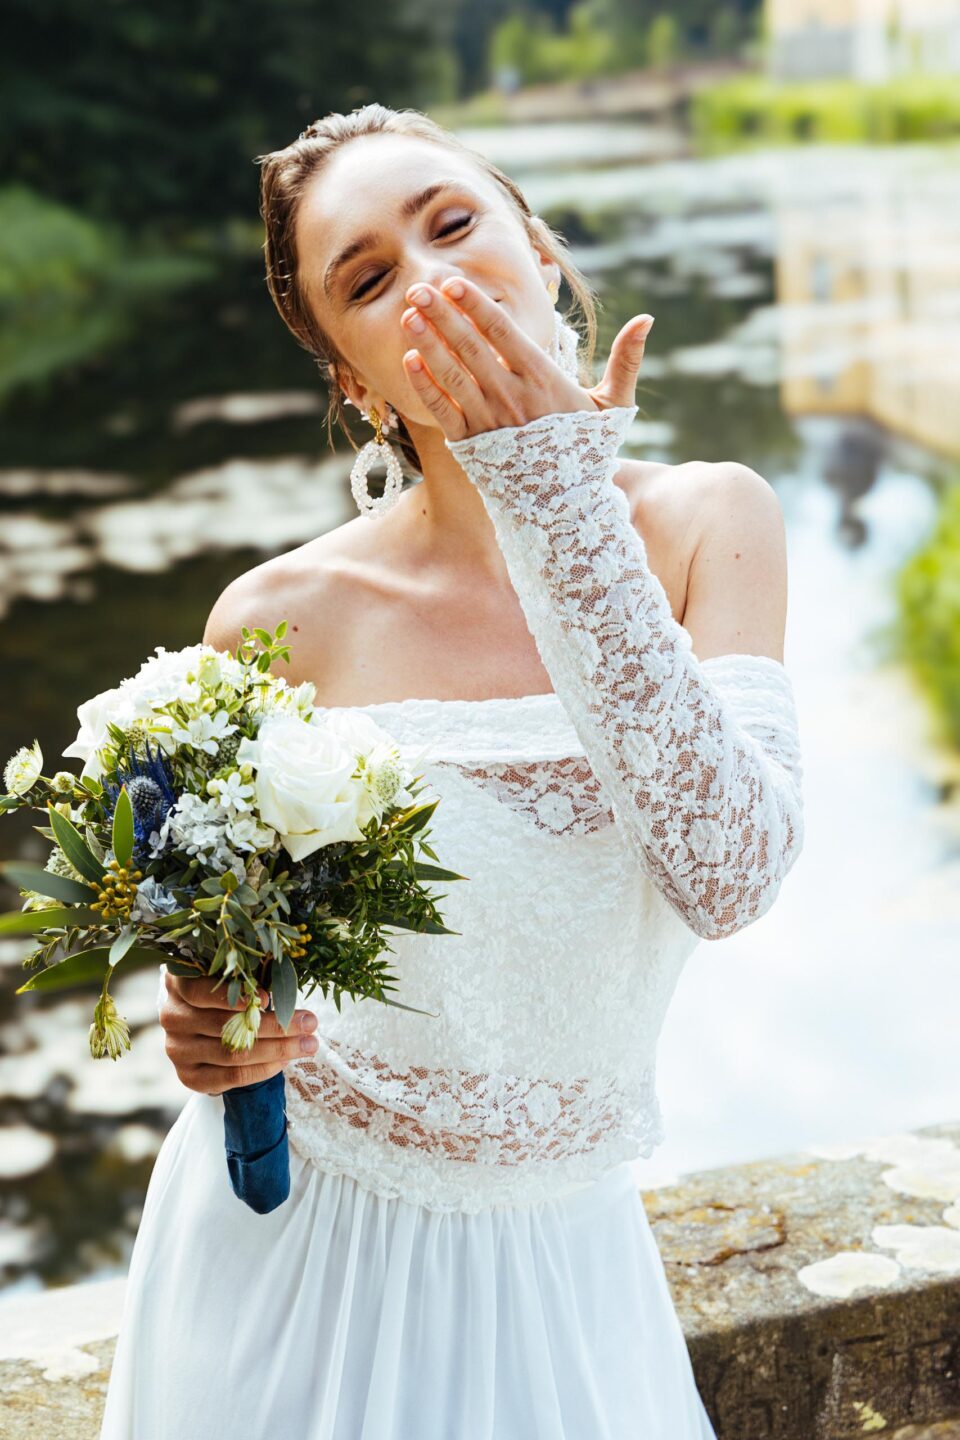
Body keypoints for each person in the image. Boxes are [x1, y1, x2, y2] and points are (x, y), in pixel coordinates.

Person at [99, 103, 804, 1439]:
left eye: (455, 223)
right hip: (293, 1251)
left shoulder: (717, 520)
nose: (429, 277)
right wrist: (211, 1007)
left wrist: (556, 498)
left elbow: (729, 875)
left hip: (560, 1266)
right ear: (359, 384)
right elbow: (237, 948)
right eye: (367, 279)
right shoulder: (274, 618)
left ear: (538, 252)